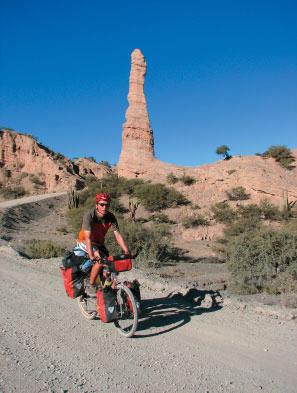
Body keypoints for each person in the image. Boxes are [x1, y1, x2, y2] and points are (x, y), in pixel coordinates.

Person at [74, 193, 130, 293]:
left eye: (107, 205)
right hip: (85, 242)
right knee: (99, 261)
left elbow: (117, 235)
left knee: (110, 263)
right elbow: (87, 238)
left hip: (99, 243)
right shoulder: (89, 216)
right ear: (97, 205)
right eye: (102, 204)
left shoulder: (110, 217)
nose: (104, 207)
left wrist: (126, 251)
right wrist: (92, 254)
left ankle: (107, 291)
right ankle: (91, 285)